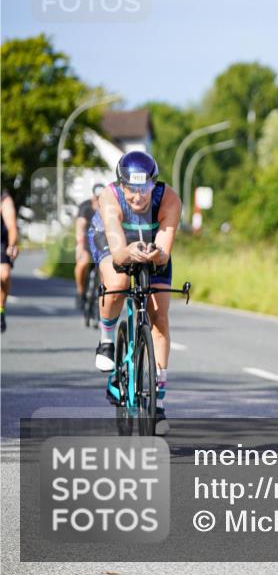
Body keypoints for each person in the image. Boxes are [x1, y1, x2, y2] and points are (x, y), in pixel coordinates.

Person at [88, 152, 180, 434]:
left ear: (154, 184)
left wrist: (156, 254)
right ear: (121, 184)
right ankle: (106, 340)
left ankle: (159, 402)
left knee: (160, 318)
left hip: (150, 246)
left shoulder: (169, 199)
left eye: (144, 189)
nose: (138, 196)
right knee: (117, 283)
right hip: (111, 239)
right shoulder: (109, 196)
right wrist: (129, 253)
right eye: (131, 188)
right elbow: (118, 251)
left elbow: (164, 252)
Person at [75, 183, 105, 310]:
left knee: (105, 270)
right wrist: (80, 247)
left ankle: (104, 296)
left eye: (101, 198)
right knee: (82, 264)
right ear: (93, 197)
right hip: (87, 241)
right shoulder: (85, 207)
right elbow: (80, 228)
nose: (99, 201)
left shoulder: (109, 207)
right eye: (97, 198)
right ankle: (80, 292)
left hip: (104, 241)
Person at [1, 190, 19, 334]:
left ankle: (1, 309)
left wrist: (12, 245)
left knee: (5, 275)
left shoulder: (4, 199)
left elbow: (12, 226)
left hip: (1, 243)